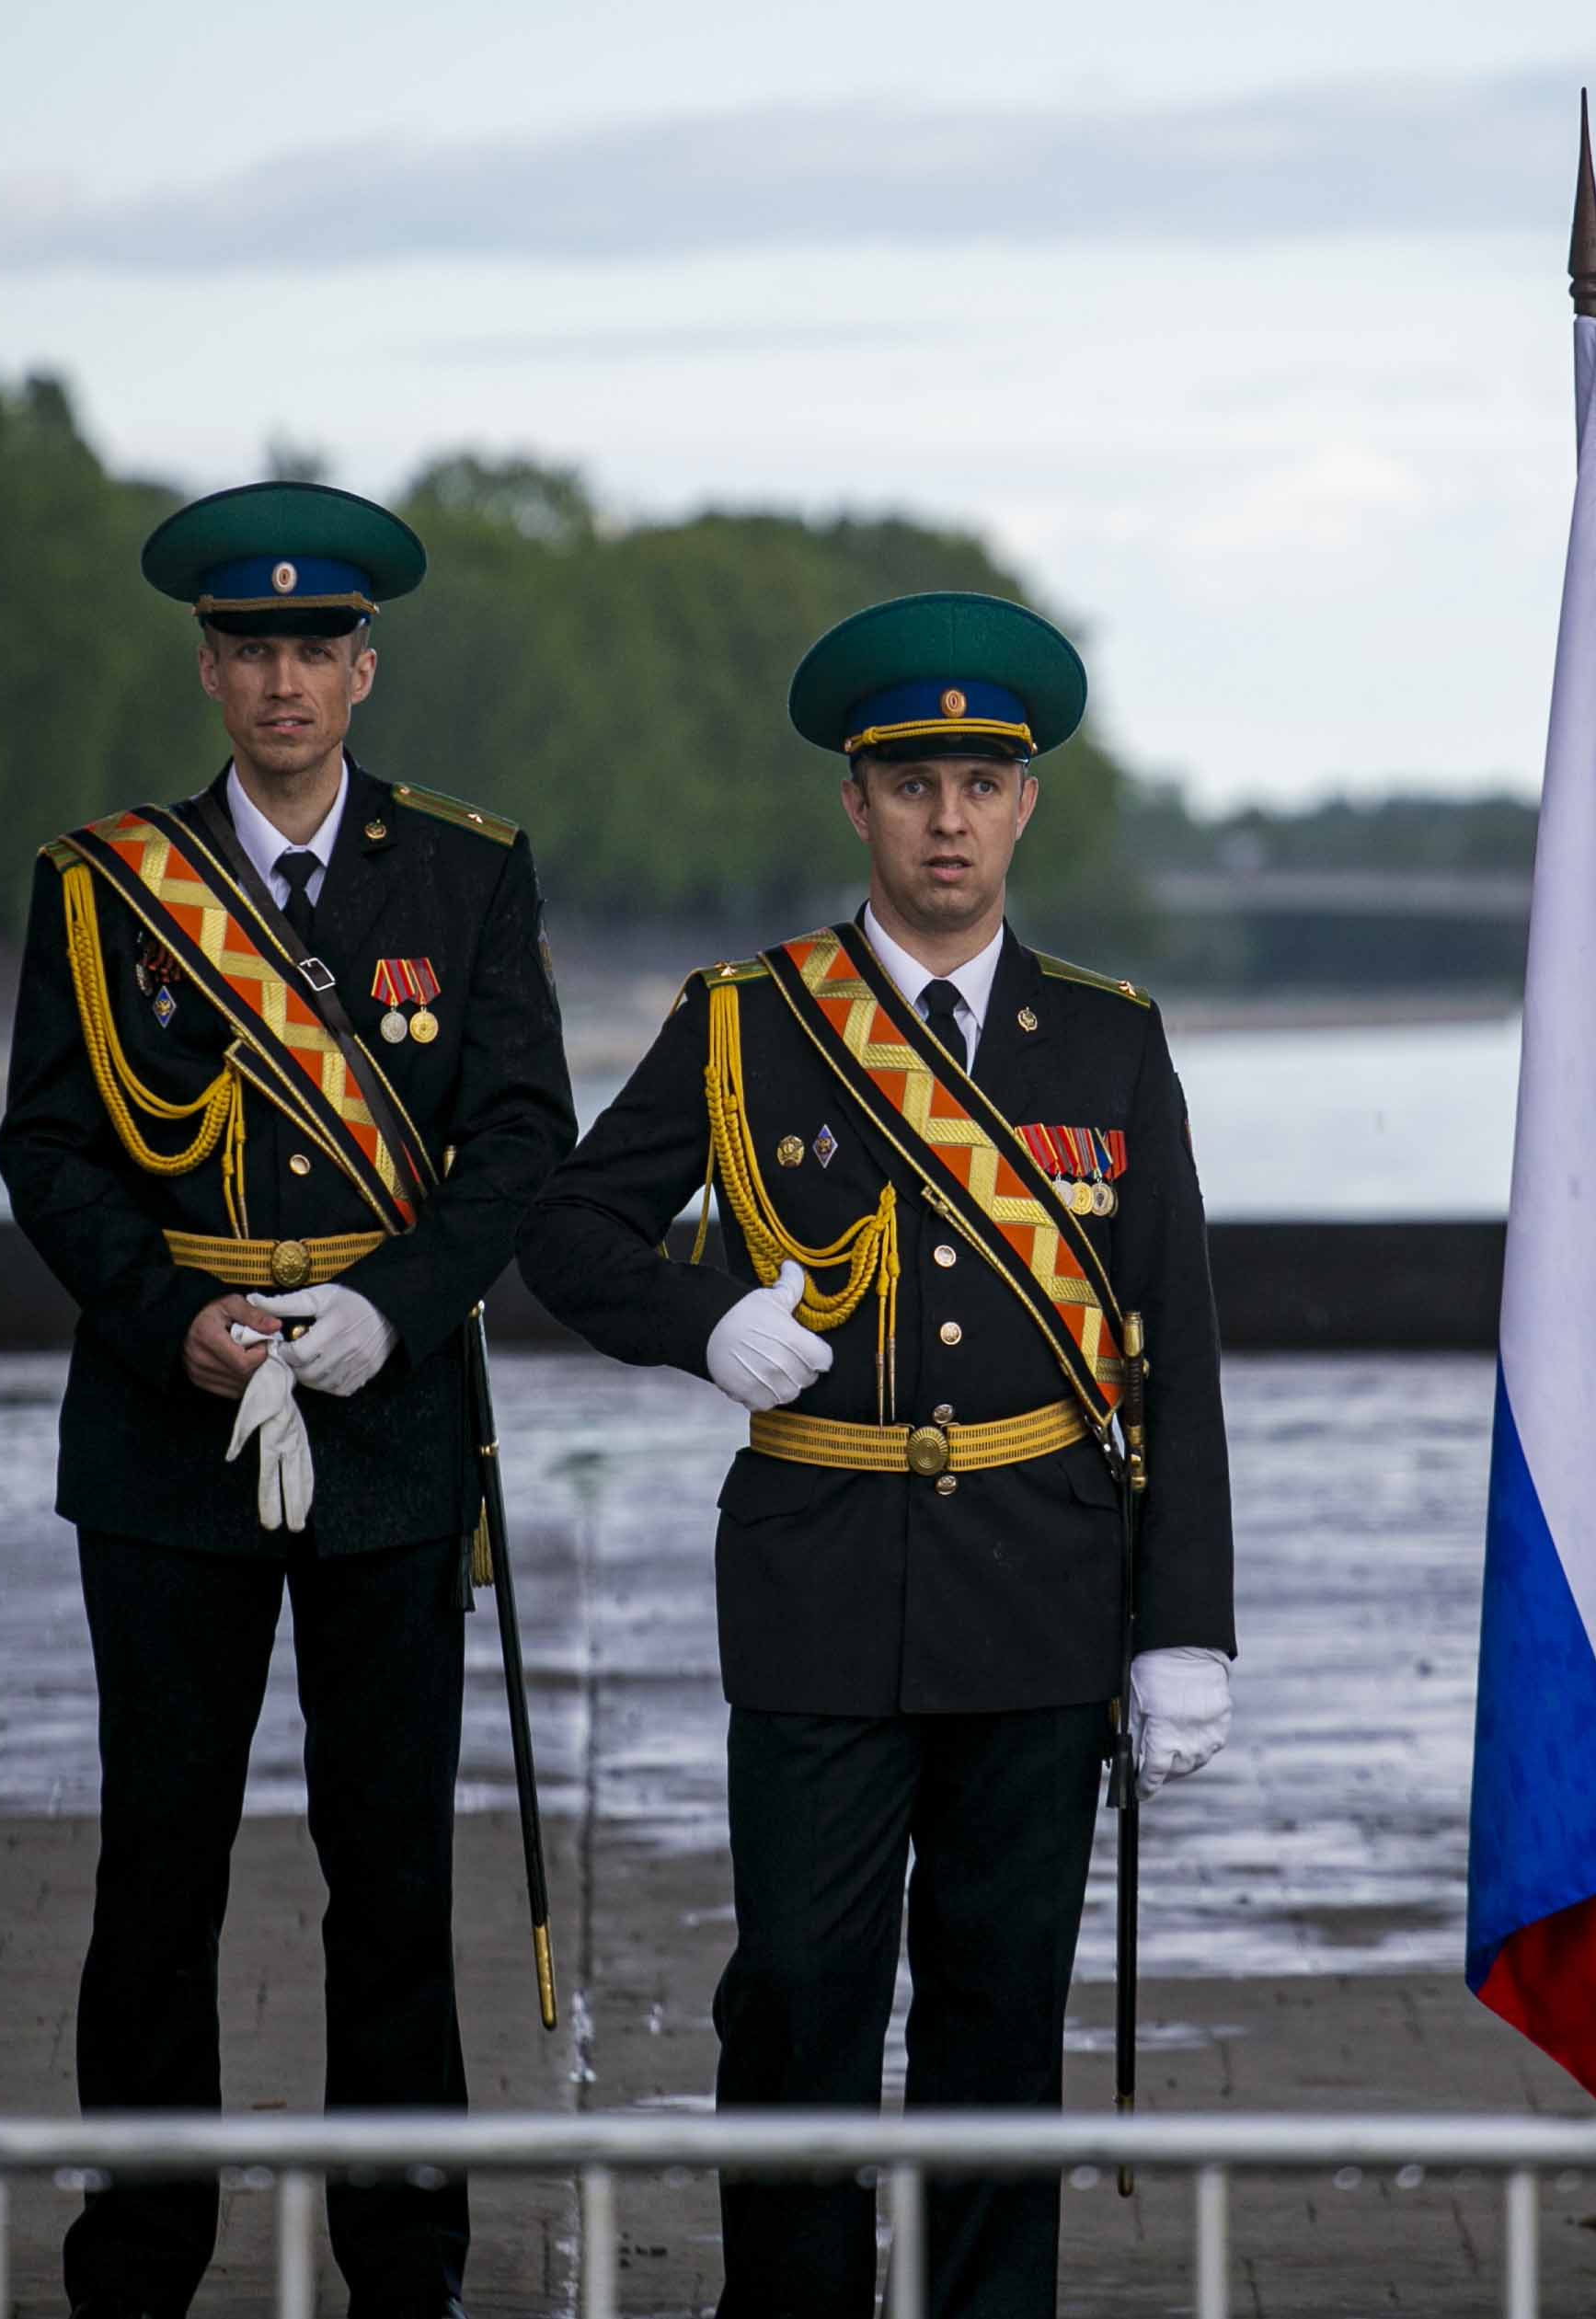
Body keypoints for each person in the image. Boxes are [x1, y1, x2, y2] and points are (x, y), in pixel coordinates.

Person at [518, 591, 1236, 2319]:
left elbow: (1172, 1344)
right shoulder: (751, 1020)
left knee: (999, 2018)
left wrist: (1184, 1625)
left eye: (981, 782)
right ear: (854, 799)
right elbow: (568, 1227)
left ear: (1024, 804)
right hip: (820, 1582)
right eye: (911, 783)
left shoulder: (1110, 1038)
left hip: (1040, 1591)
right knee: (797, 2002)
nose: (946, 819)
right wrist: (704, 1320)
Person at [0, 479, 577, 2319]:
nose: (282, 680)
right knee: (156, 1873)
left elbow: (519, 1139)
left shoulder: (469, 871)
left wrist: (386, 1315)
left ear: (364, 669)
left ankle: (404, 2264)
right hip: (170, 1429)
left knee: (390, 1879)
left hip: (388, 1431)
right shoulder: (101, 885)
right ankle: (141, 2259)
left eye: (314, 649)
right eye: (250, 649)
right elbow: (47, 1145)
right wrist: (176, 1319)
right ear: (209, 667)